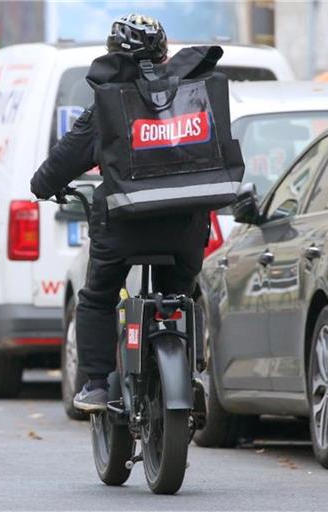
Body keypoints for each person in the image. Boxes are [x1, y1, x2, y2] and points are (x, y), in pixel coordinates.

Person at [30, 14, 212, 412]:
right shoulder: (191, 95)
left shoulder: (108, 103)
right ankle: (192, 367)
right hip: (184, 227)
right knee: (181, 294)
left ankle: (96, 384)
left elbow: (63, 162)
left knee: (97, 297)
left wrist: (41, 186)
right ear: (163, 54)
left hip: (124, 227)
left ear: (113, 55)